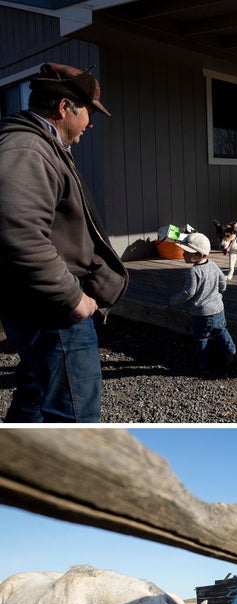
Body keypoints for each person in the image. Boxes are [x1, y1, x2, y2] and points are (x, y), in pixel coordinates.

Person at [0, 62, 128, 422]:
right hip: (51, 311)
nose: (91, 123)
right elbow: (17, 232)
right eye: (89, 113)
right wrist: (72, 298)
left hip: (39, 306)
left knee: (36, 400)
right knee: (74, 418)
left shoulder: (37, 145)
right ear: (63, 108)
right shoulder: (27, 148)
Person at [168, 231, 236, 373]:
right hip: (218, 310)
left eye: (187, 253)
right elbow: (223, 281)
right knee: (222, 332)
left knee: (201, 338)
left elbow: (189, 292)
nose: (183, 255)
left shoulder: (193, 272)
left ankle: (203, 363)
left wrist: (174, 300)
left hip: (202, 314)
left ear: (200, 255)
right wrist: (220, 294)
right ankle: (231, 353)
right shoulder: (214, 265)